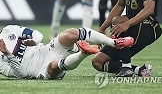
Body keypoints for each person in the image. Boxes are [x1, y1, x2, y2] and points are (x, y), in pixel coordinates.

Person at [0, 25, 134, 79]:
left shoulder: (9, 30)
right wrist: (7, 53)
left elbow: (37, 34)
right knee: (53, 66)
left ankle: (114, 42)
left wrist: (35, 41)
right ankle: (83, 52)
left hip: (46, 50)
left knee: (69, 34)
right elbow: (21, 74)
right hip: (39, 70)